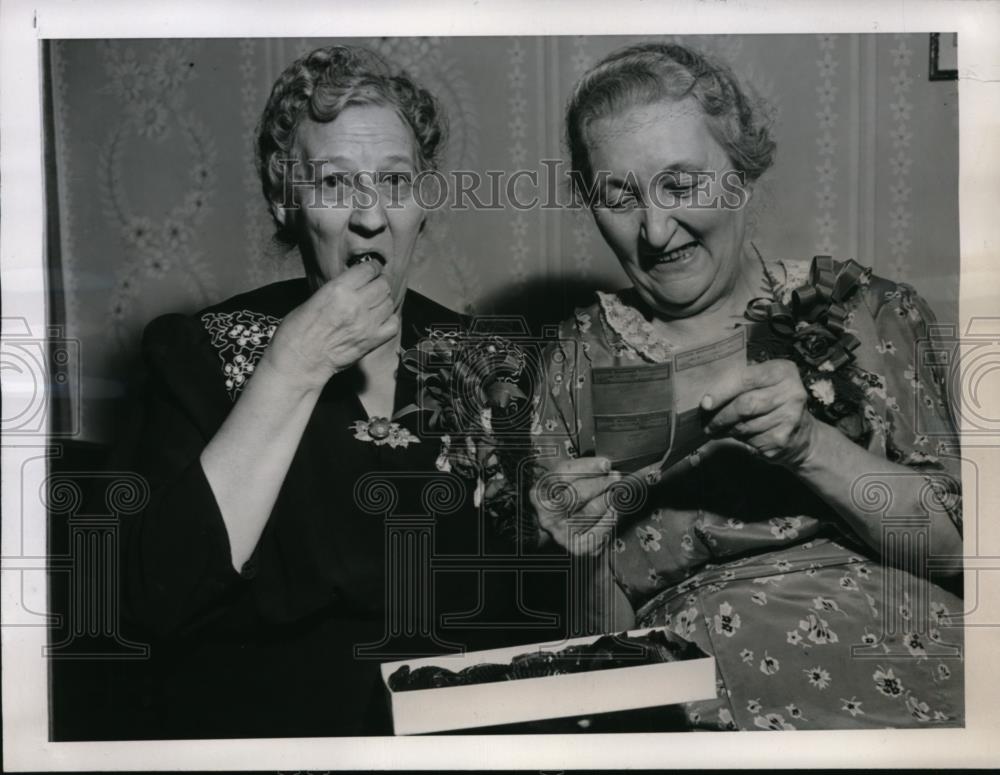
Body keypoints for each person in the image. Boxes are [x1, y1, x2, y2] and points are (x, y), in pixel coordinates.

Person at [530, 42, 965, 730]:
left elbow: (955, 552)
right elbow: (592, 650)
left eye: (681, 184)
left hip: (912, 674)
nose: (654, 229)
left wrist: (808, 447)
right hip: (699, 702)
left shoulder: (864, 310)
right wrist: (578, 557)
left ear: (741, 173)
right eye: (619, 195)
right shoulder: (574, 362)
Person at [114, 45, 530, 738]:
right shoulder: (199, 352)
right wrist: (292, 369)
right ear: (285, 198)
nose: (371, 217)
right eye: (336, 184)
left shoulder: (483, 360)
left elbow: (523, 605)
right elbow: (157, 598)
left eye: (396, 182)